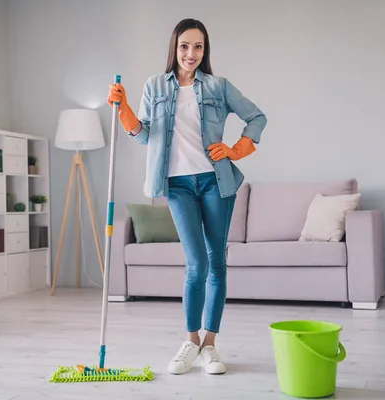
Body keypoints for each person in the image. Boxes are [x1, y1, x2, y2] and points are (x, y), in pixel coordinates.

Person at [107, 18, 267, 375]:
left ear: (204, 50)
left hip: (214, 182)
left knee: (216, 262)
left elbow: (257, 117)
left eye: (198, 47)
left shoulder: (218, 86)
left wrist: (235, 150)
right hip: (177, 185)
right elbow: (144, 135)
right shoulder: (154, 86)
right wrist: (124, 108)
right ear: (174, 48)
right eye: (184, 46)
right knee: (197, 264)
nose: (191, 53)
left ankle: (210, 345)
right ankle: (190, 341)